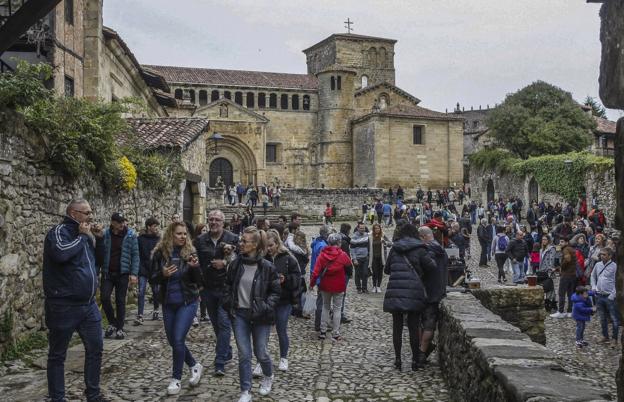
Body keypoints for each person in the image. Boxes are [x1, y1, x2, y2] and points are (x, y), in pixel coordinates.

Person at [43, 199, 107, 402]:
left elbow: (99, 260)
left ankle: (93, 394)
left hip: (88, 305)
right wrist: (82, 236)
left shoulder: (85, 234)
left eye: (91, 212)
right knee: (58, 355)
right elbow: (61, 254)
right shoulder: (58, 232)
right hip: (63, 305)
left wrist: (100, 239)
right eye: (86, 212)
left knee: (96, 348)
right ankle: (57, 398)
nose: (91, 216)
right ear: (73, 213)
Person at [222, 227, 281, 402]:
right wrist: (228, 304)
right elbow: (227, 285)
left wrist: (265, 306)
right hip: (239, 314)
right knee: (244, 354)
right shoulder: (235, 264)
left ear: (255, 245)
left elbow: (276, 291)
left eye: (244, 241)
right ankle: (245, 390)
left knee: (261, 352)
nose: (240, 244)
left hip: (261, 316)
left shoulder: (267, 267)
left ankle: (268, 375)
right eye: (240, 240)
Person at [151, 222, 204, 395]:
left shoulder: (190, 253)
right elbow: (152, 278)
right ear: (170, 235)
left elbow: (199, 281)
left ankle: (176, 379)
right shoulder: (160, 254)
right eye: (179, 234)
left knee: (178, 339)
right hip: (168, 303)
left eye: (184, 234)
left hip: (187, 302)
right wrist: (162, 274)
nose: (183, 237)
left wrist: (195, 268)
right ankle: (195, 365)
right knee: (173, 341)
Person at [383, 223, 437, 371]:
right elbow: (431, 267)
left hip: (395, 291)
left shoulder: (395, 248)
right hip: (414, 291)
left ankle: (398, 360)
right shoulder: (420, 248)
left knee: (397, 327)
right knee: (413, 327)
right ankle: (414, 360)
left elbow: (387, 270)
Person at [194, 209, 239, 376]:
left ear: (223, 222)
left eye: (217, 220)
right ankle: (226, 349)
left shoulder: (233, 238)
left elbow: (239, 263)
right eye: (211, 219)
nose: (213, 222)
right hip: (207, 289)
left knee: (224, 323)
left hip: (226, 289)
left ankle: (219, 361)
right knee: (216, 324)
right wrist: (198, 285)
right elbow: (195, 262)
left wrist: (225, 264)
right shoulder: (200, 240)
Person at [97, 212, 139, 340]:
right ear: (113, 223)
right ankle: (112, 322)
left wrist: (134, 273)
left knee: (120, 300)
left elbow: (135, 255)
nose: (122, 224)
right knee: (104, 297)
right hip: (108, 272)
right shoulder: (106, 234)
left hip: (123, 273)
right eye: (119, 222)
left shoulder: (130, 235)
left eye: (123, 222)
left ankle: (120, 328)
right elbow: (99, 252)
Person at [264, 230, 301, 372]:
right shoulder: (263, 258)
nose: (269, 248)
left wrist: (285, 279)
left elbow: (297, 277)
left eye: (271, 245)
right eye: (266, 246)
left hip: (283, 299)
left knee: (281, 329)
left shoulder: (288, 258)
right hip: (267, 299)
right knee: (264, 330)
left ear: (277, 243)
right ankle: (263, 359)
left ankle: (283, 358)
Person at [310, 233, 353, 341]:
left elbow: (316, 272)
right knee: (337, 309)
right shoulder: (342, 254)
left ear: (328, 243)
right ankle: (336, 333)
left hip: (325, 284)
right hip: (339, 284)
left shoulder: (322, 255)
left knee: (325, 307)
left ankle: (323, 331)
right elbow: (349, 265)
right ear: (339, 243)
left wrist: (312, 284)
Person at [418, 226, 447, 363]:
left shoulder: (428, 250)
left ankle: (421, 352)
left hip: (427, 290)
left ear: (423, 237)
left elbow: (426, 267)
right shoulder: (441, 249)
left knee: (426, 324)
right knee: (428, 323)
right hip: (439, 289)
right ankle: (423, 350)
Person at [590, 247, 620, 346]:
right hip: (599, 295)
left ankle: (614, 339)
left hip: (609, 296)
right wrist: (594, 287)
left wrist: (613, 294)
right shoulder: (598, 265)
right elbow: (592, 276)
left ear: (610, 256)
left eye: (604, 254)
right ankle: (605, 336)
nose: (602, 256)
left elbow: (618, 282)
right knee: (602, 318)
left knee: (614, 318)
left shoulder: (615, 266)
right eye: (601, 254)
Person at [136, 217, 161, 325]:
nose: (156, 228)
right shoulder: (140, 239)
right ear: (148, 227)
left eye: (157, 226)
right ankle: (140, 315)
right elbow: (137, 254)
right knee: (141, 291)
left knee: (155, 291)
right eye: (154, 226)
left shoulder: (158, 240)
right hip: (143, 268)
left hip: (154, 269)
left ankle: (156, 310)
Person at [551, 237, 577, 318]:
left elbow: (568, 259)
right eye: (559, 242)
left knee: (561, 293)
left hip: (566, 275)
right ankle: (570, 311)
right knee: (570, 294)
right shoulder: (571, 249)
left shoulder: (566, 249)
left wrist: (560, 267)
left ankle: (561, 312)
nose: (560, 243)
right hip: (572, 274)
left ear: (566, 242)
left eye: (562, 242)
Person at [310, 225, 329, 330]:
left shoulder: (316, 242)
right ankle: (319, 324)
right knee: (322, 301)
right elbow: (322, 263)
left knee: (320, 299)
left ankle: (320, 323)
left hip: (315, 274)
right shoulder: (322, 245)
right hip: (321, 276)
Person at [369, 223, 390, 293]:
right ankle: (374, 286)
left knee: (380, 272)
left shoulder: (383, 235)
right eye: (376, 228)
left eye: (378, 228)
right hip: (373, 257)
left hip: (381, 257)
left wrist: (385, 242)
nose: (377, 230)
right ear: (373, 229)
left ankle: (378, 286)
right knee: (374, 272)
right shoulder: (370, 236)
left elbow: (390, 243)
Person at [350, 222, 370, 293]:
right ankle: (358, 288)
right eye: (361, 228)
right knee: (357, 273)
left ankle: (364, 288)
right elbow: (352, 249)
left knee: (365, 273)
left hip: (365, 257)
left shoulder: (367, 235)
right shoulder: (354, 237)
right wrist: (354, 259)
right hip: (357, 258)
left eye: (363, 228)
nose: (362, 229)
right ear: (358, 228)